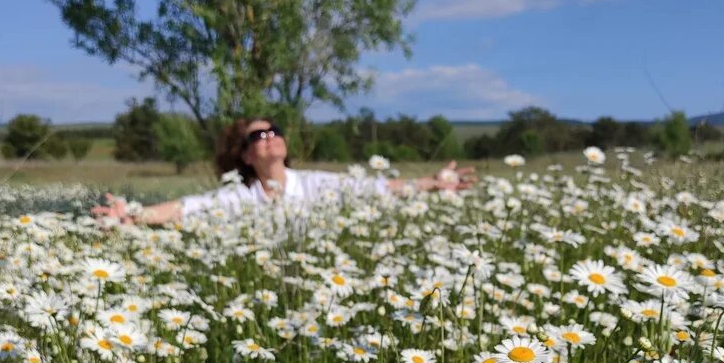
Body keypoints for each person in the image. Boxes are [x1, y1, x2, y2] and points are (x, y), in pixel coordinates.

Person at [92, 117, 474, 226]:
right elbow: (184, 209)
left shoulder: (315, 184)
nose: (270, 137)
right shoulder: (238, 198)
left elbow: (378, 188)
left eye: (275, 131)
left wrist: (432, 184)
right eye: (258, 135)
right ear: (244, 155)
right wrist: (134, 215)